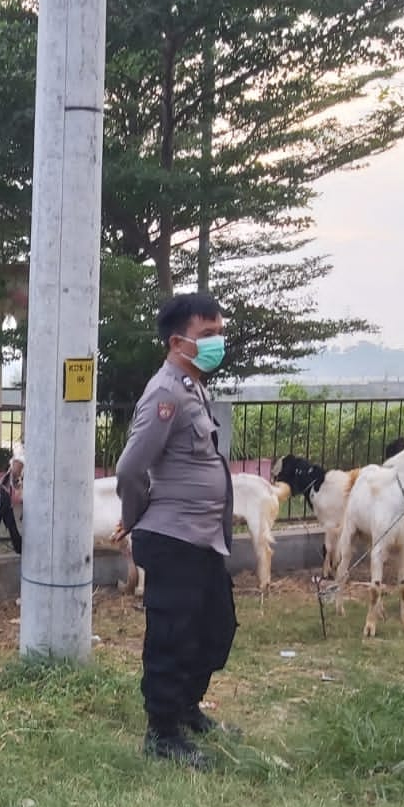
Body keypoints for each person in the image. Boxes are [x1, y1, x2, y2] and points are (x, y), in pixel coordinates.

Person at [113, 293, 236, 768]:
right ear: (177, 341)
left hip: (203, 537)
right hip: (173, 537)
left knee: (215, 628)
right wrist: (136, 514)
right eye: (207, 335)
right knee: (172, 634)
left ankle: (187, 707)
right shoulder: (166, 392)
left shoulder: (194, 388)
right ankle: (162, 732)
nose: (217, 342)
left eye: (219, 332)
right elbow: (130, 468)